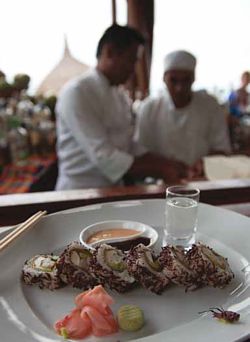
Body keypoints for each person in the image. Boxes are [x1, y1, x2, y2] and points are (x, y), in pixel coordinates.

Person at [55, 25, 186, 190]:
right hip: (79, 191)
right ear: (109, 52)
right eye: (131, 60)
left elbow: (129, 145)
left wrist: (171, 164)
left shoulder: (119, 95)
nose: (133, 69)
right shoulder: (77, 92)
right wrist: (162, 169)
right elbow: (104, 156)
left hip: (113, 189)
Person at [135, 50, 231, 178]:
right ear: (164, 79)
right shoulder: (149, 108)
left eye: (186, 80)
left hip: (202, 179)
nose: (179, 88)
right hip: (159, 181)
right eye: (173, 81)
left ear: (193, 79)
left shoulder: (210, 105)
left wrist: (202, 164)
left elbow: (222, 148)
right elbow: (140, 152)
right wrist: (167, 166)